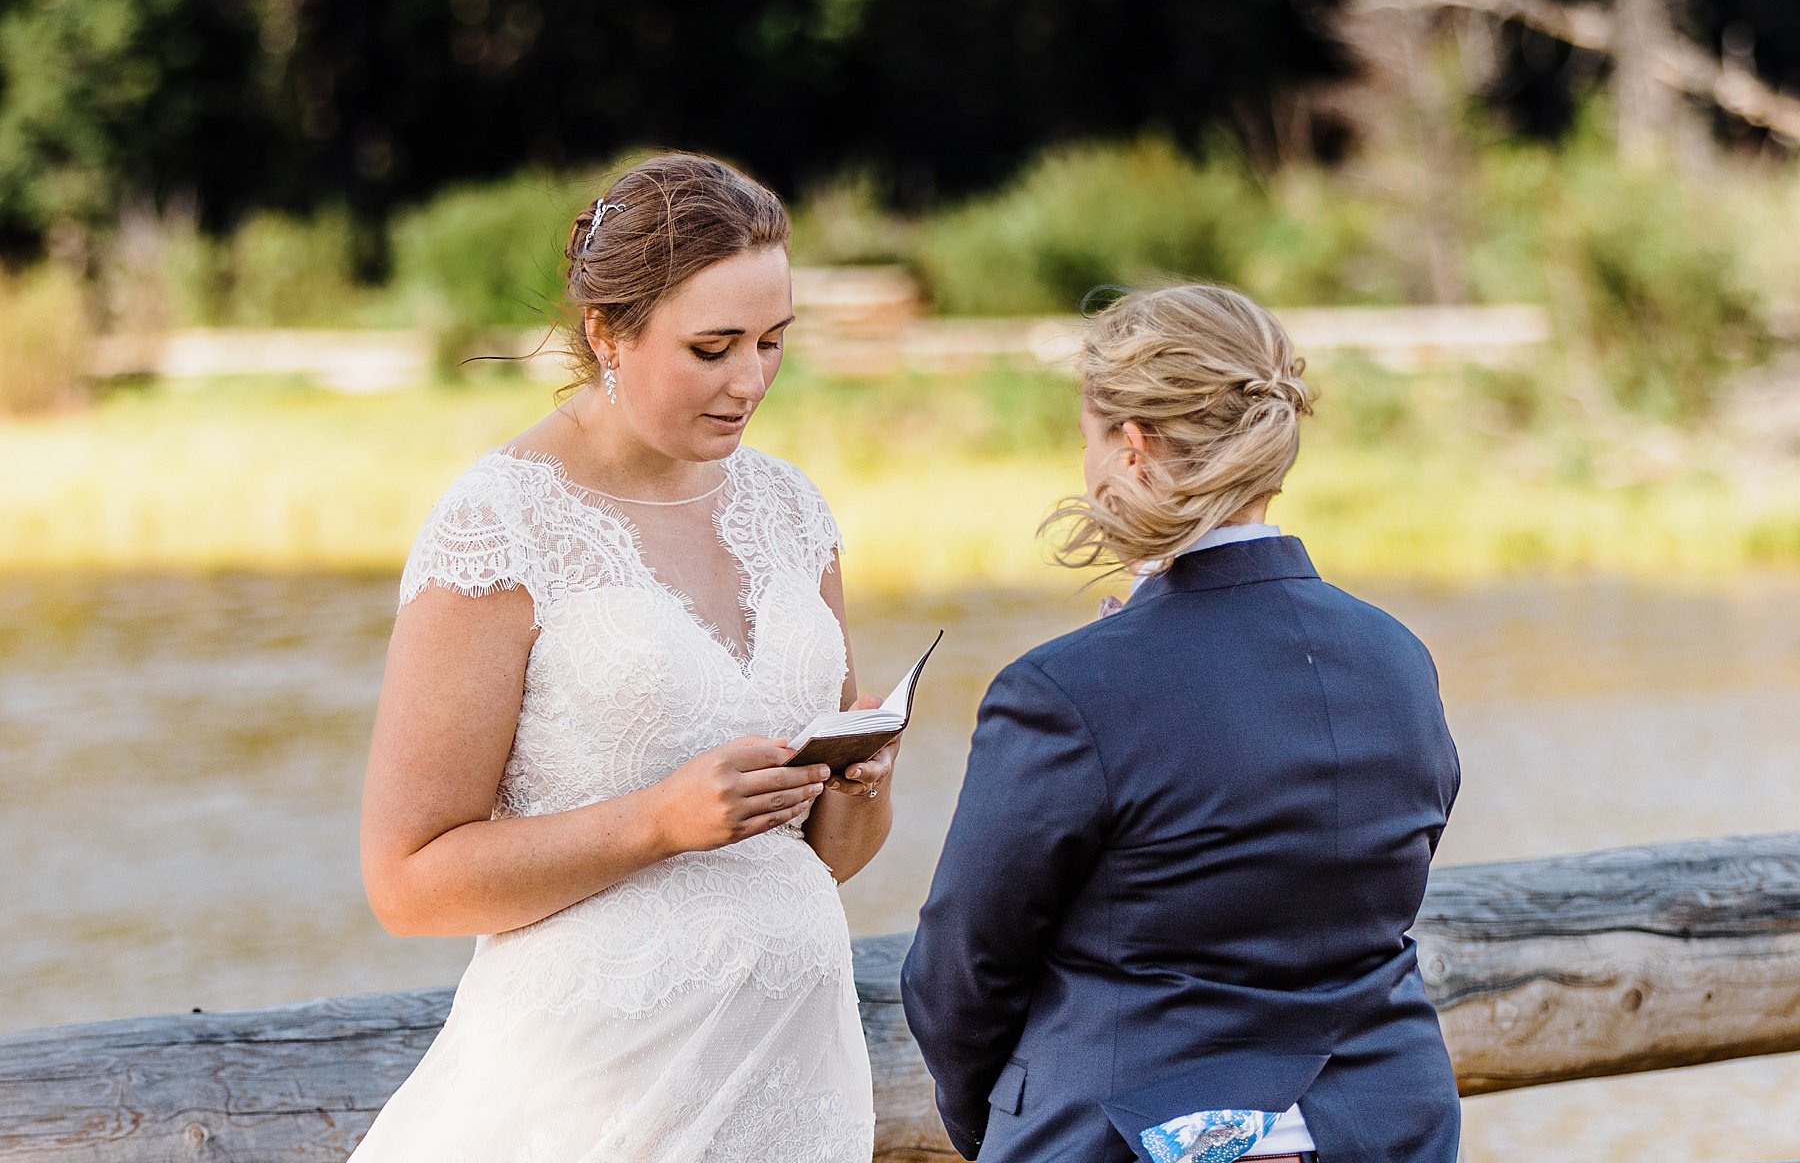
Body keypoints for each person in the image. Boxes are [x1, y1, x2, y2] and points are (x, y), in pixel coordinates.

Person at [351, 153, 892, 1161]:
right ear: (608, 332)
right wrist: (660, 822)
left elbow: (827, 859)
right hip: (589, 1101)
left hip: (792, 1089)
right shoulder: (501, 523)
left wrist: (860, 781)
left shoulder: (791, 510)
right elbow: (407, 881)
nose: (751, 381)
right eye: (712, 347)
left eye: (773, 342)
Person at [901, 283, 1462, 1163]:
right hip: (1384, 1129)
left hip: (1124, 1137)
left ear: (1132, 446)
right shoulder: (1399, 659)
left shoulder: (1062, 690)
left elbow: (960, 971)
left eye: (1085, 440)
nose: (1084, 470)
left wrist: (1011, 1126)